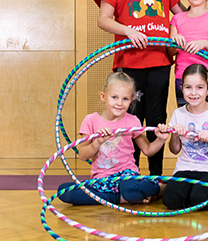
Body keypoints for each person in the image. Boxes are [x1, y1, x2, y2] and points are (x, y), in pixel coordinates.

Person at [95, 0, 208, 176]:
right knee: (131, 120)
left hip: (159, 62)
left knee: (157, 119)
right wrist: (128, 31)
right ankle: (129, 172)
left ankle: (155, 177)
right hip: (129, 62)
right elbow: (103, 20)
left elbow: (186, 15)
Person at [58, 72, 169, 205]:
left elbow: (148, 150)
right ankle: (122, 198)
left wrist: (161, 140)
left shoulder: (132, 121)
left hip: (127, 176)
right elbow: (82, 155)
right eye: (114, 97)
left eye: (125, 99)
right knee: (63, 191)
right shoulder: (91, 121)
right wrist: (98, 142)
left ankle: (158, 189)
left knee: (130, 187)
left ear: (131, 99)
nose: (119, 103)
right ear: (103, 96)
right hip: (102, 179)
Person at [160, 64, 208, 211]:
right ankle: (187, 191)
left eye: (199, 87)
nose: (193, 93)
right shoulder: (178, 114)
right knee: (170, 201)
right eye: (188, 87)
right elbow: (174, 150)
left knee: (200, 199)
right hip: (185, 167)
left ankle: (202, 192)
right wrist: (175, 134)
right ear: (182, 88)